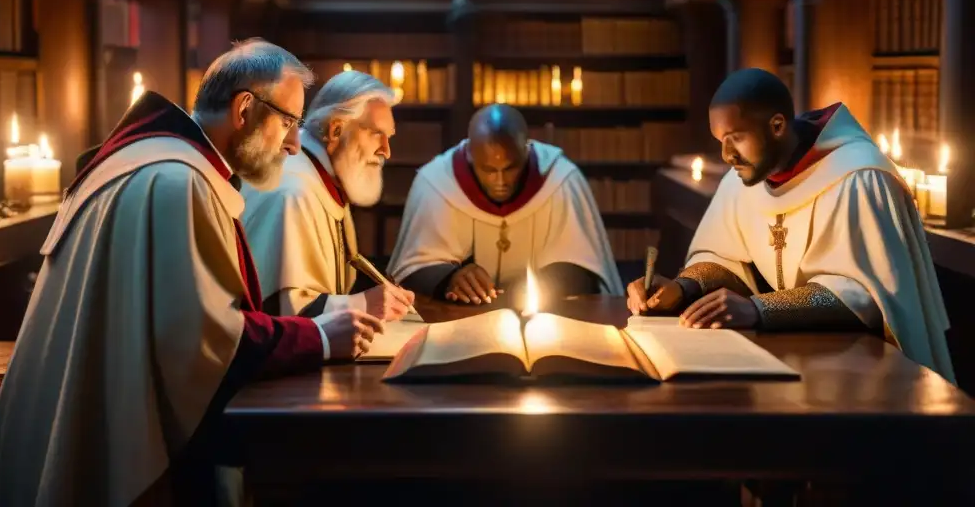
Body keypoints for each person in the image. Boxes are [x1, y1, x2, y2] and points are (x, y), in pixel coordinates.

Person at [0, 40, 383, 507]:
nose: (293, 144)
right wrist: (321, 337)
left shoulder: (155, 162)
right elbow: (205, 339)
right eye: (288, 122)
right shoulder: (178, 180)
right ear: (245, 108)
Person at [627, 68, 954, 382]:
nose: (727, 154)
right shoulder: (741, 179)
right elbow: (724, 258)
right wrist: (682, 289)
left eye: (736, 137)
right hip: (786, 357)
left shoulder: (858, 178)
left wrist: (759, 308)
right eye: (720, 140)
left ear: (778, 125)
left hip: (863, 367)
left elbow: (867, 296)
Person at [387, 103, 622, 307]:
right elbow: (411, 271)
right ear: (469, 154)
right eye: (488, 170)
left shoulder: (561, 179)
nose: (500, 181)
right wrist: (449, 278)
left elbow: (585, 271)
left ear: (526, 151)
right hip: (461, 320)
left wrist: (535, 284)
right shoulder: (436, 182)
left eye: (510, 168)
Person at [241, 70, 415, 320]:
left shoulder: (323, 176)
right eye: (377, 133)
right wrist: (364, 303)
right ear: (335, 131)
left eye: (389, 137)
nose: (386, 151)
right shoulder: (294, 192)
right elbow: (285, 311)